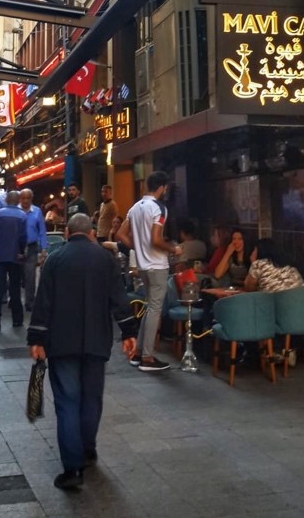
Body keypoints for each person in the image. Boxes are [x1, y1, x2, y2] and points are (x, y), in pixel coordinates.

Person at [27, 214, 137, 491]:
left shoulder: (55, 259)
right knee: (92, 398)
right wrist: (129, 332)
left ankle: (73, 468)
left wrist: (37, 337)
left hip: (62, 342)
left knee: (67, 401)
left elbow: (44, 302)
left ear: (66, 232)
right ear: (90, 233)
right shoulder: (105, 259)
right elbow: (119, 298)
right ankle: (88, 449)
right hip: (97, 341)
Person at [121, 171, 182, 371]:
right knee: (155, 309)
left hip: (142, 266)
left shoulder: (135, 207)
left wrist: (137, 248)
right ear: (162, 187)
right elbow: (156, 239)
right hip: (157, 265)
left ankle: (138, 353)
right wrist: (174, 249)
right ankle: (147, 357)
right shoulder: (159, 208)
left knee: (150, 307)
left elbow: (120, 234)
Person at [0, 189, 26, 332]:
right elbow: (23, 237)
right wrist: (21, 251)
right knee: (15, 289)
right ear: (18, 201)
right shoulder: (22, 216)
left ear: (6, 200)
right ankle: (17, 319)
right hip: (15, 256)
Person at [19, 188, 47, 311]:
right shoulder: (16, 210)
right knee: (15, 275)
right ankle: (14, 300)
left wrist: (44, 249)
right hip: (17, 247)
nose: (25, 200)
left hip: (31, 247)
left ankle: (29, 302)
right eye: (23, 198)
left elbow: (42, 231)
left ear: (31, 198)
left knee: (30, 276)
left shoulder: (37, 211)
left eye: (28, 198)